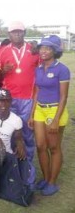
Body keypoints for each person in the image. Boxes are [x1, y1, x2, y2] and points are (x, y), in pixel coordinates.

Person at [0, 21, 39, 185]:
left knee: (26, 134)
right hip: (8, 100)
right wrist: (2, 71)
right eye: (13, 32)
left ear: (24, 32)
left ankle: (26, 169)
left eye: (20, 32)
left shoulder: (35, 51)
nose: (17, 34)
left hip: (27, 98)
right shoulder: (1, 52)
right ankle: (10, 168)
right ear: (9, 34)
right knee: (8, 133)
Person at [28, 35, 70, 196]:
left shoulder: (62, 69)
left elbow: (63, 97)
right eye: (42, 47)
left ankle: (52, 182)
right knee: (40, 146)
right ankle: (45, 179)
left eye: (48, 48)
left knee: (54, 147)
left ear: (55, 50)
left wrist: (56, 120)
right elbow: (37, 92)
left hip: (54, 111)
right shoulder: (38, 69)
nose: (44, 51)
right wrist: (32, 114)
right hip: (40, 109)